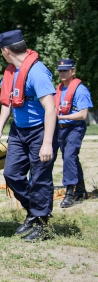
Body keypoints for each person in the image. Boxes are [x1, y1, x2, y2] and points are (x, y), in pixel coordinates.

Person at [0, 29, 57, 242]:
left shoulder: (37, 72)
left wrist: (47, 143)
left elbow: (50, 108)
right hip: (18, 131)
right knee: (11, 174)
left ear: (6, 50)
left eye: (1, 51)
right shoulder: (11, 72)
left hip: (40, 131)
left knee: (39, 178)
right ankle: (33, 210)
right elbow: (7, 103)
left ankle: (42, 224)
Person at [55, 58, 93, 207]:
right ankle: (81, 189)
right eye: (60, 70)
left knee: (69, 156)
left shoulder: (80, 90)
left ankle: (69, 193)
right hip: (60, 129)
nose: (62, 73)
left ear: (72, 71)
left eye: (65, 70)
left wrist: (61, 117)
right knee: (70, 158)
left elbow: (83, 115)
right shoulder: (58, 89)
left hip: (74, 128)